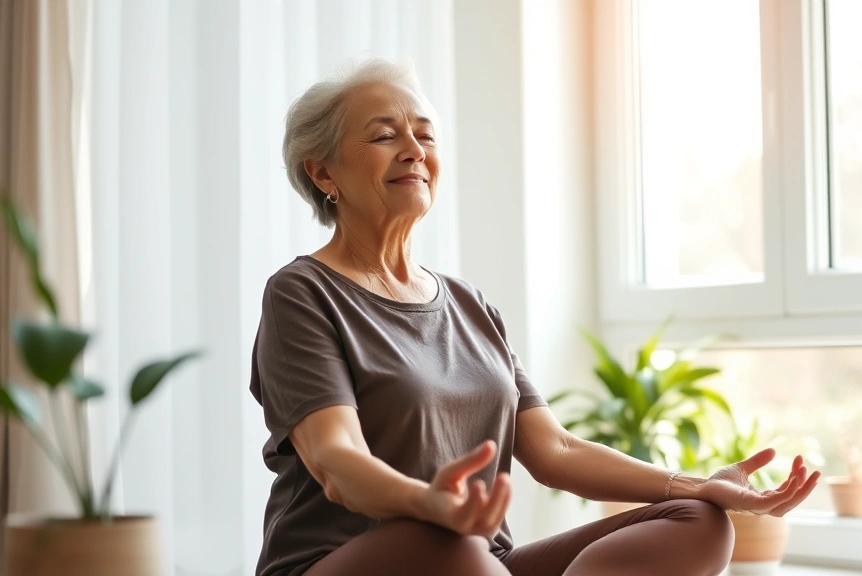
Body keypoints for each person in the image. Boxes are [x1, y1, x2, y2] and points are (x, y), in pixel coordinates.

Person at [249, 57, 820, 576]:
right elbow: (335, 459)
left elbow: (556, 452)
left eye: (425, 135)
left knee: (697, 521)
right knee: (444, 544)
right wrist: (425, 503)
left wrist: (700, 485)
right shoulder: (302, 293)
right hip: (349, 563)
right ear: (323, 174)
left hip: (478, 562)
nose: (415, 151)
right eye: (384, 136)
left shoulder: (469, 305)